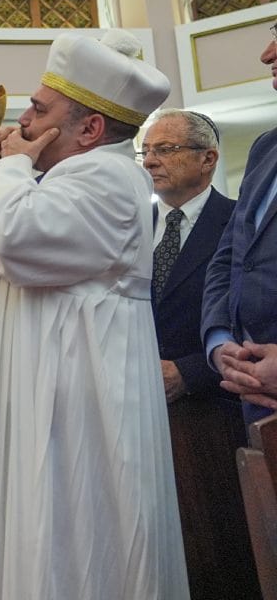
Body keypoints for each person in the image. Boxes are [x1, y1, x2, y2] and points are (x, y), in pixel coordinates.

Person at [0, 29, 188, 599]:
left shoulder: (108, 177)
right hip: (43, 396)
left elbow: (8, 240)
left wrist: (11, 165)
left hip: (81, 405)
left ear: (90, 129)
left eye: (38, 108)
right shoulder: (59, 176)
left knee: (76, 541)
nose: (24, 120)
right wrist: (19, 168)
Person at [143, 109, 259, 599]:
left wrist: (190, 373)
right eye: (145, 151)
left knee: (219, 553)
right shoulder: (131, 224)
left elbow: (252, 319)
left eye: (164, 149)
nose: (150, 161)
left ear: (208, 158)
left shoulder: (242, 223)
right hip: (138, 417)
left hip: (212, 414)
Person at [203, 20, 277, 423]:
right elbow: (230, 258)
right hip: (254, 395)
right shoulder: (266, 147)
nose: (267, 54)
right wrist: (220, 345)